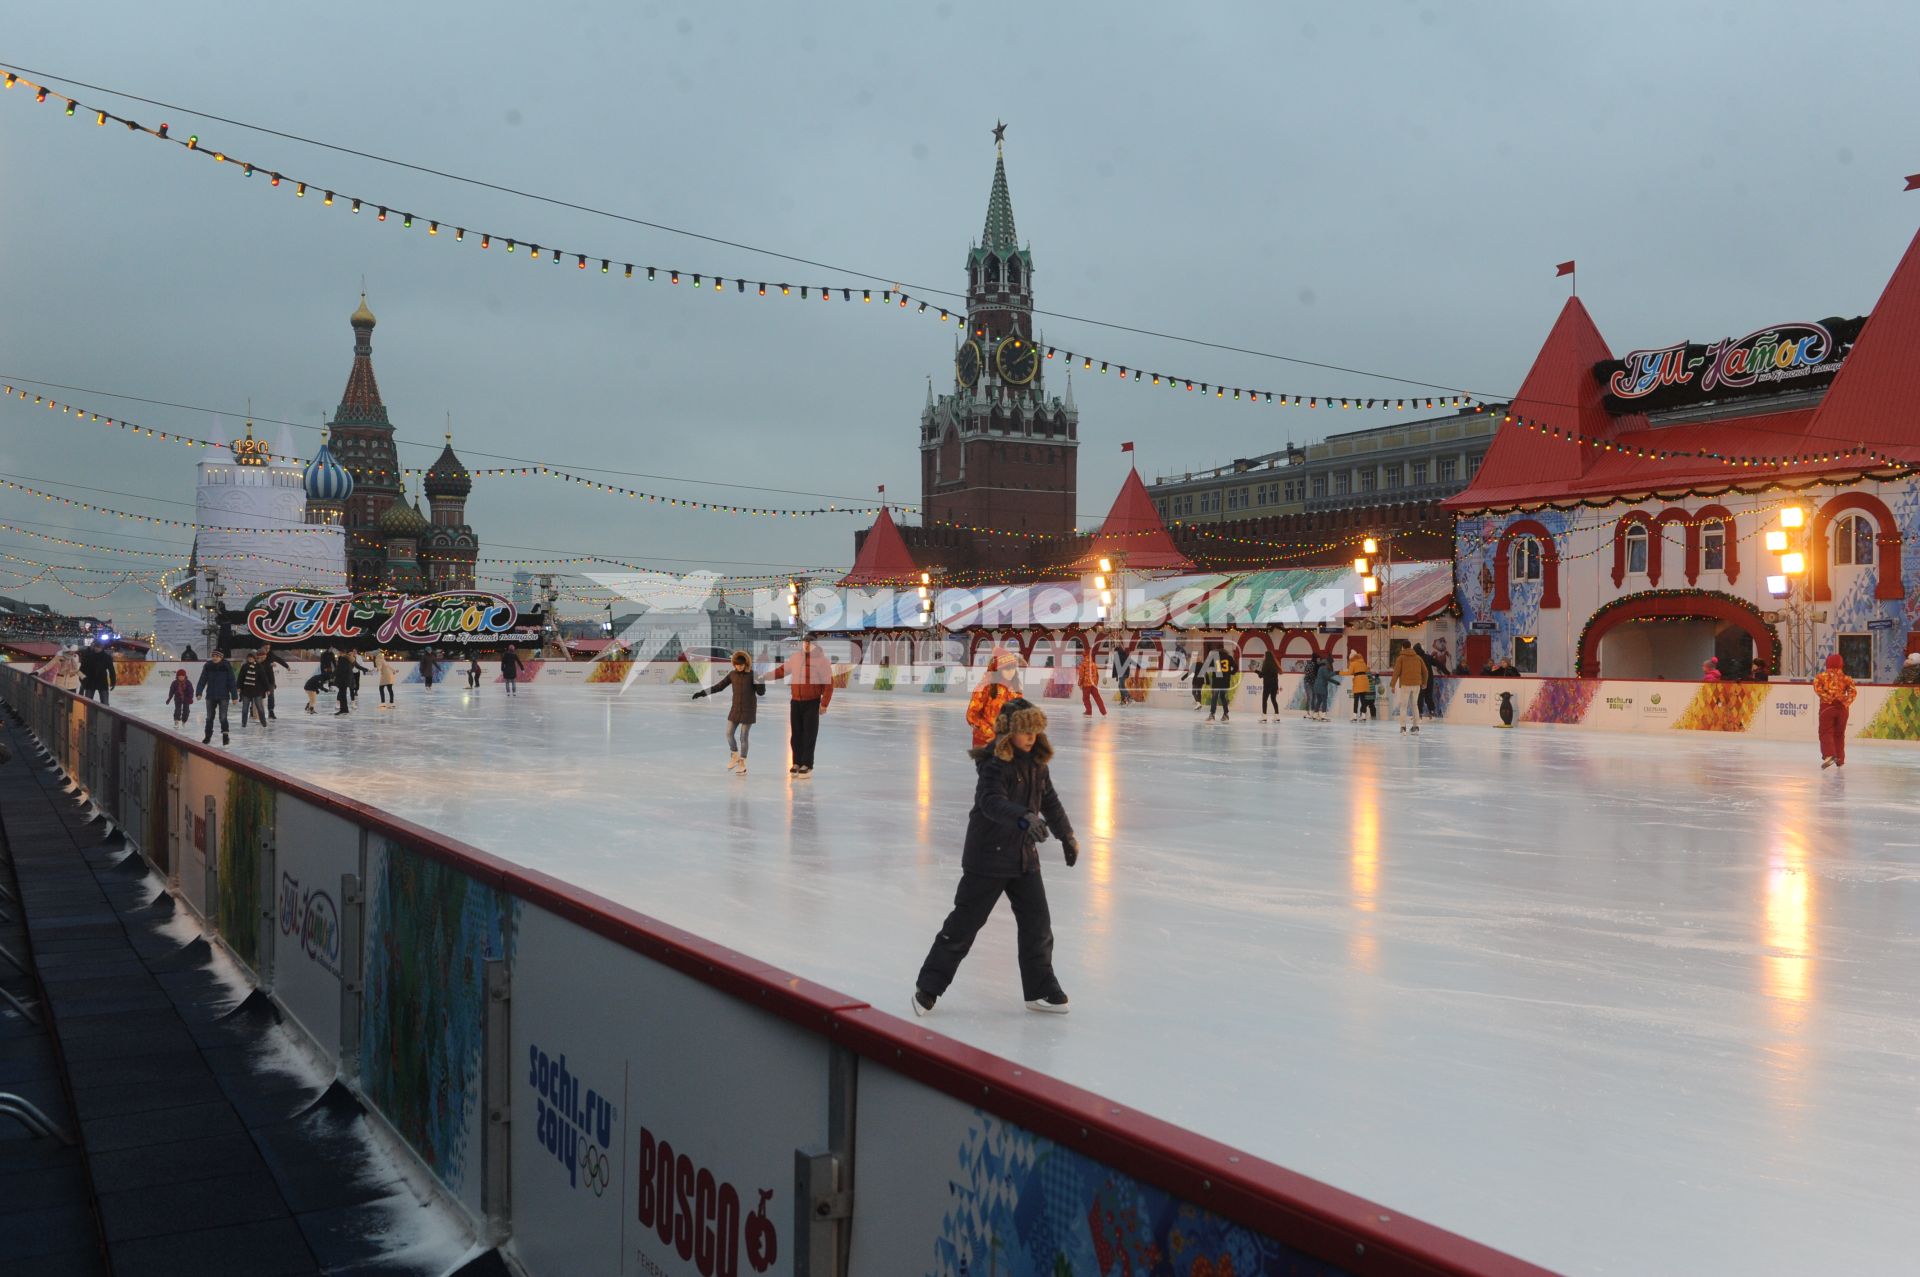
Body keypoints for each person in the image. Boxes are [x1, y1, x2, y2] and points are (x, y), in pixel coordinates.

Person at [911, 698, 1076, 1017]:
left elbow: (1051, 803)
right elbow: (991, 802)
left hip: (1023, 858)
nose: (1031, 737)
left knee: (1038, 925)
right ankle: (928, 987)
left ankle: (1040, 989)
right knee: (964, 925)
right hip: (988, 857)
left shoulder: (1038, 762)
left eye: (1035, 730)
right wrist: (1024, 818)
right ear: (1008, 732)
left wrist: (1066, 835)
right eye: (1025, 730)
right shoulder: (994, 765)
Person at [767, 637, 834, 776]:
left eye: (810, 643)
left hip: (812, 701)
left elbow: (828, 684)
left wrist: (824, 704)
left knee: (809, 734)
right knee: (796, 734)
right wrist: (765, 676)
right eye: (805, 643)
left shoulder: (822, 661)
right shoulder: (796, 657)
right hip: (796, 701)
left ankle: (807, 764)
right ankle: (796, 762)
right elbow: (782, 671)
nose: (807, 645)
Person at [692, 650, 766, 774]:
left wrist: (760, 681)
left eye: (741, 665)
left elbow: (761, 693)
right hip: (736, 709)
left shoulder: (754, 675)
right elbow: (719, 686)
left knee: (743, 737)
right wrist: (702, 693)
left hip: (748, 710)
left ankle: (742, 762)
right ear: (734, 664)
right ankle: (735, 754)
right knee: (728, 733)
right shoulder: (732, 674)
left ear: (746, 664)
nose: (739, 667)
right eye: (737, 664)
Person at [966, 651, 1022, 750]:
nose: (1011, 671)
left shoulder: (1015, 689)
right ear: (997, 669)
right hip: (985, 742)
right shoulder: (985, 687)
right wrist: (991, 733)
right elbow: (972, 715)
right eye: (1007, 668)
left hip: (1007, 743)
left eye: (1013, 667)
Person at [1814, 653, 1857, 769]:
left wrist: (1830, 699)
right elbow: (1853, 692)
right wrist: (1845, 702)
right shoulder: (1846, 678)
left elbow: (1818, 690)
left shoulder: (1821, 677)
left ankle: (1829, 755)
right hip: (1843, 709)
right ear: (1841, 664)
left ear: (1827, 663)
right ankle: (1840, 759)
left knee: (1826, 732)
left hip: (1827, 708)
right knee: (1839, 734)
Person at [195, 651, 234, 745]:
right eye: (213, 656)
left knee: (223, 717)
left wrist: (235, 696)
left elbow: (231, 681)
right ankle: (207, 736)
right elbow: (202, 679)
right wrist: (199, 692)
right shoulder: (208, 666)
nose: (215, 658)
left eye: (217, 656)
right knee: (209, 717)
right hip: (211, 695)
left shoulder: (226, 666)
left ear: (221, 657)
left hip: (223, 696)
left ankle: (225, 736)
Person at [1391, 642, 1428, 733]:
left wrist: (1392, 685)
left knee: (1403, 706)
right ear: (1410, 647)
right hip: (1416, 685)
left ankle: (1403, 727)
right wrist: (1424, 683)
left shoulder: (1401, 658)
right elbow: (1425, 671)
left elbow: (1396, 672)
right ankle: (1416, 726)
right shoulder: (1418, 657)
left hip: (1405, 685)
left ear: (1403, 647)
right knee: (1415, 705)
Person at [234, 651, 267, 730]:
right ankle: (243, 723)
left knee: (260, 708)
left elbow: (264, 678)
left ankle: (263, 722)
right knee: (245, 709)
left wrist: (267, 688)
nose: (250, 659)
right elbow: (240, 678)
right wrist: (238, 687)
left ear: (254, 658)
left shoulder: (259, 666)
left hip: (257, 691)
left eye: (251, 657)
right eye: (249, 658)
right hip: (246, 691)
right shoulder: (244, 667)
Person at [1204, 649, 1234, 722]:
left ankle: (1212, 715)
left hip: (1217, 681)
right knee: (1223, 696)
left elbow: (1207, 666)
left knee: (1215, 696)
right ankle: (1226, 714)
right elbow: (1236, 668)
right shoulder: (1229, 658)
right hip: (1225, 681)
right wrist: (1230, 673)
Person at [1076, 647, 1106, 718]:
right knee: (1097, 697)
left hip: (1086, 684)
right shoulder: (1093, 664)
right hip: (1093, 684)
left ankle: (1088, 712)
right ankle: (1103, 711)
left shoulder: (1083, 664)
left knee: (1085, 698)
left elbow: (1081, 675)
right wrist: (1095, 683)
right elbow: (1097, 675)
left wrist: (1080, 683)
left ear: (1084, 656)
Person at [1345, 651, 1372, 722]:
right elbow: (1367, 670)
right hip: (1364, 683)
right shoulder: (1363, 663)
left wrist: (1340, 673)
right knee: (1363, 701)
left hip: (1357, 683)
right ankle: (1363, 716)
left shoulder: (1353, 663)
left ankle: (1354, 716)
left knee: (1356, 700)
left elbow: (1349, 672)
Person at [263, 648, 290, 718]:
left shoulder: (271, 655)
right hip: (260, 679)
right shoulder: (259, 654)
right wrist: (269, 664)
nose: (266, 649)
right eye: (265, 647)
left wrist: (286, 666)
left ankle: (271, 711)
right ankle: (252, 710)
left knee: (271, 695)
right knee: (257, 695)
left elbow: (279, 660)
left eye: (268, 647)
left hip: (270, 679)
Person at [1257, 650, 1281, 721]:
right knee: (1273, 700)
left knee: (1264, 700)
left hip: (1267, 685)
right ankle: (1277, 716)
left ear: (1267, 656)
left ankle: (1264, 716)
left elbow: (1261, 675)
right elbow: (1276, 677)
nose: (1263, 656)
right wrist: (1277, 687)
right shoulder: (1274, 664)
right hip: (1274, 685)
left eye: (1264, 655)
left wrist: (1256, 671)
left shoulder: (1265, 664)